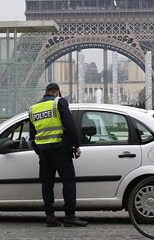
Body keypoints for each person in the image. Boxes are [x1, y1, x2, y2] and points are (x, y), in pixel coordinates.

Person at [29, 83, 88, 228]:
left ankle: (50, 216)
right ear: (57, 92)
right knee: (68, 182)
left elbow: (32, 136)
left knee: (47, 183)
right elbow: (70, 125)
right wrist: (76, 145)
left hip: (44, 152)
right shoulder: (59, 102)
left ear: (46, 92)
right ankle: (70, 216)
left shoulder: (33, 109)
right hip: (60, 150)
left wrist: (40, 150)